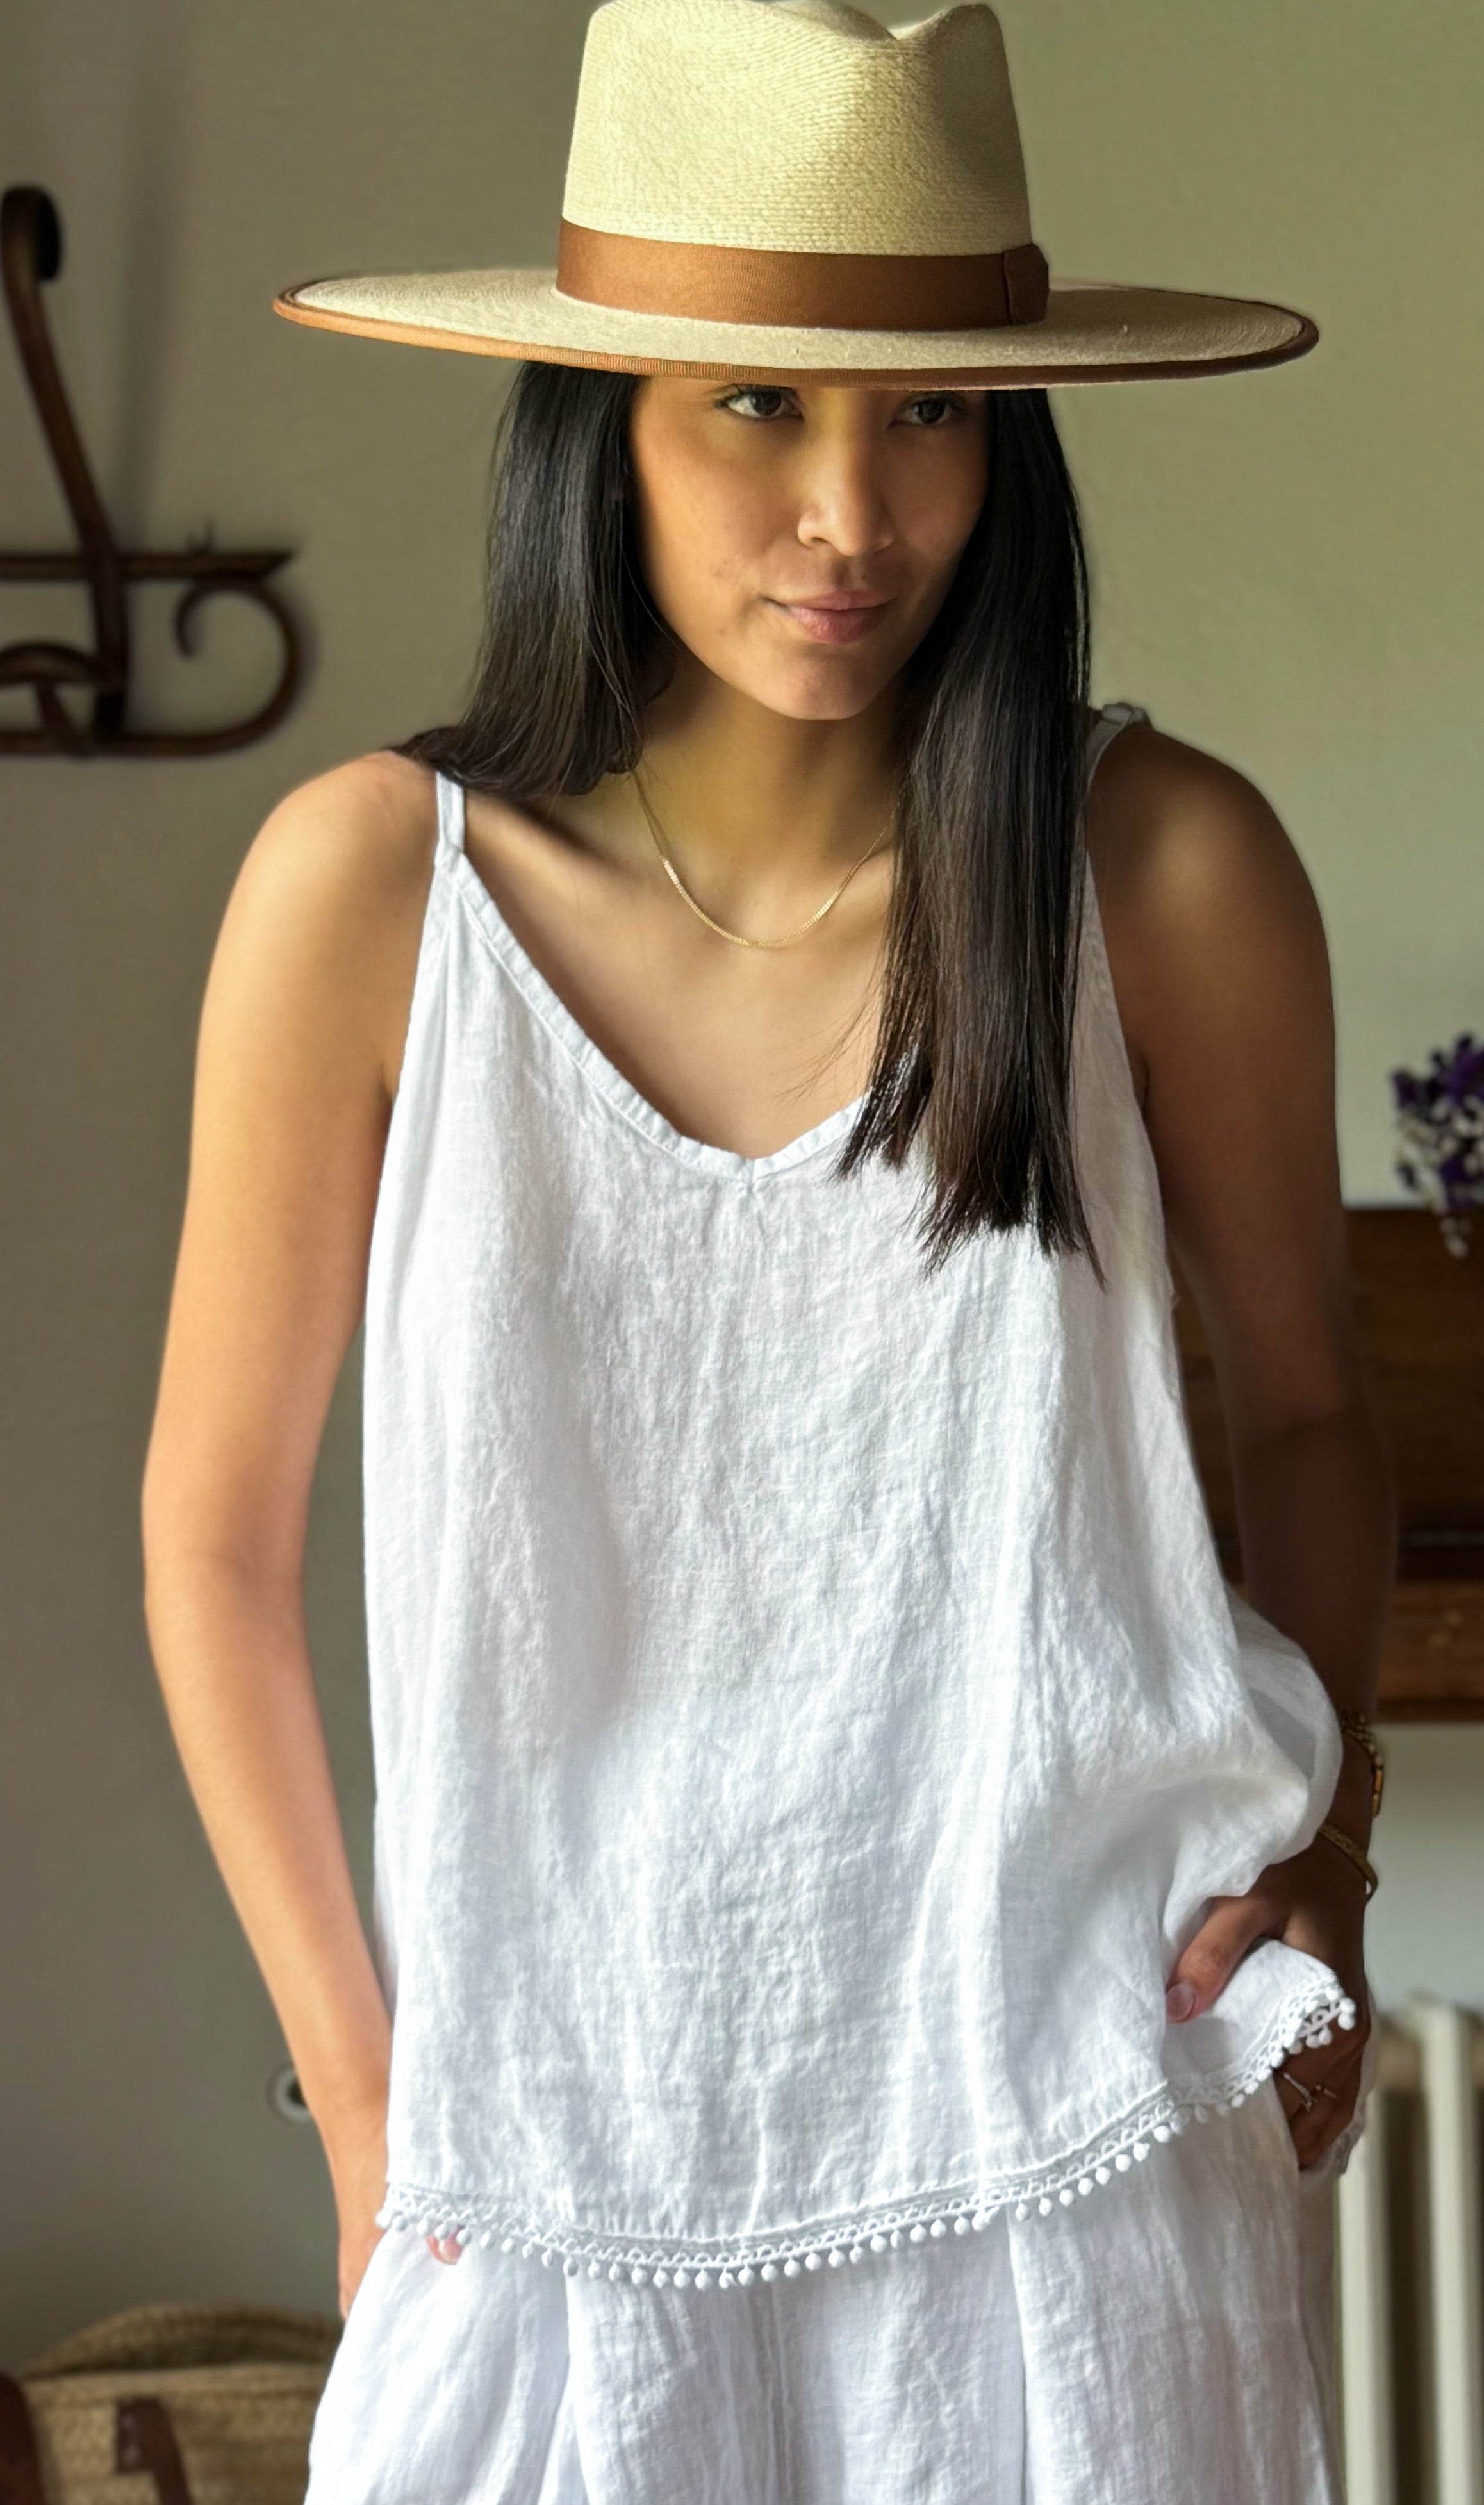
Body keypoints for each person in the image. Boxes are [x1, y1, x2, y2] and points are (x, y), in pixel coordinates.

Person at [141, 0, 1398, 2495]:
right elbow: (207, 1540)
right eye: (754, 404)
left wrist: (1335, 1863)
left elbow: (1312, 1414)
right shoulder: (374, 896)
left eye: (927, 409)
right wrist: (368, 2104)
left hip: (1084, 2148)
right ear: (594, 418)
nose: (852, 511)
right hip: (549, 2171)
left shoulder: (1162, 871)